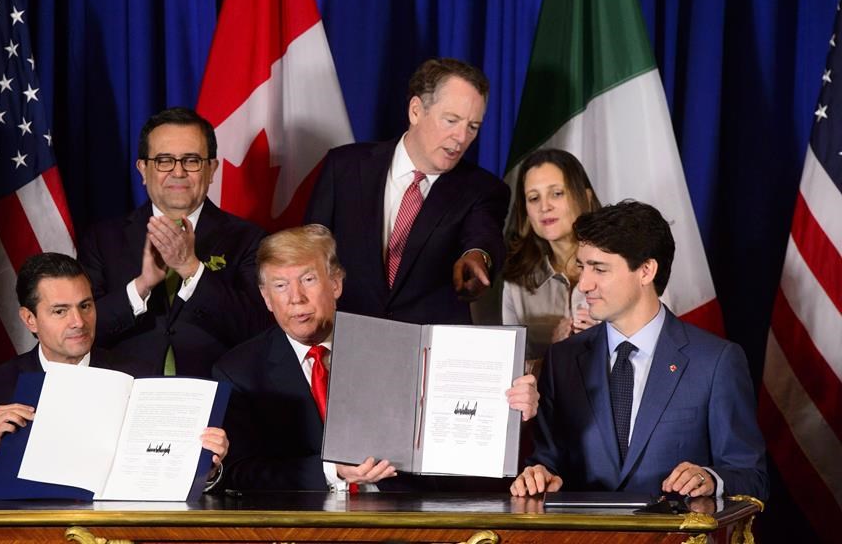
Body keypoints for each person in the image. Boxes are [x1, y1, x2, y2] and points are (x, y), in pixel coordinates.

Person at [213, 225, 538, 491]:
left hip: (409, 522)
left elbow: (456, 442)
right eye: (280, 285)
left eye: (308, 280)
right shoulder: (239, 371)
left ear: (336, 283)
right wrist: (333, 471)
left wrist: (510, 413)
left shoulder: (402, 345)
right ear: (266, 298)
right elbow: (240, 473)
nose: (296, 298)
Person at [511, 201, 768, 501]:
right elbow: (547, 461)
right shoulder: (563, 359)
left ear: (646, 271)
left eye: (600, 269)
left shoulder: (716, 362)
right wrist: (539, 475)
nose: (583, 284)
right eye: (582, 266)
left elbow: (752, 477)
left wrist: (710, 478)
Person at [0, 253, 229, 498]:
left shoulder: (138, 376)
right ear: (30, 319)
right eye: (60, 311)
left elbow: (165, 469)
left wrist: (208, 469)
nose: (78, 322)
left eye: (86, 306)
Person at [305, 58, 509, 325]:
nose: (461, 137)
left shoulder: (482, 189)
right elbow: (310, 250)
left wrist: (478, 258)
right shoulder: (344, 168)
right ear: (416, 111)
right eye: (451, 120)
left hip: (428, 349)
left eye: (472, 127)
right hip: (347, 337)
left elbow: (482, 237)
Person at [79, 107, 269, 377]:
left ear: (212, 169)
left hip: (217, 399)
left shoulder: (250, 239)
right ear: (143, 169)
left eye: (191, 160)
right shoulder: (101, 239)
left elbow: (259, 330)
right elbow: (81, 330)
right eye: (164, 160)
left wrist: (192, 269)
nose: (178, 172)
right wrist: (140, 287)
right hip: (127, 396)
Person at [501, 149, 602, 373]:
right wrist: (554, 355)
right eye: (534, 198)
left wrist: (609, 338)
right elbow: (509, 372)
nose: (544, 207)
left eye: (557, 193)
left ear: (585, 197)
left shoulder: (625, 264)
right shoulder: (516, 282)